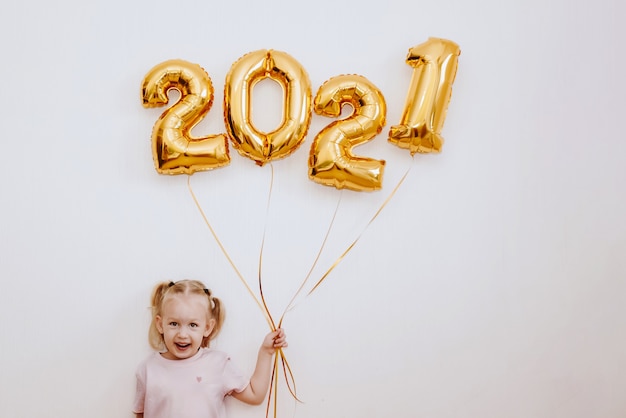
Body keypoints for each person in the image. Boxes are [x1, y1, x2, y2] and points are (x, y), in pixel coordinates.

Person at [133, 279, 287, 418]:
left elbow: (255, 395)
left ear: (207, 327)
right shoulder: (148, 369)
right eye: (174, 324)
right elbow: (140, 413)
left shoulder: (218, 363)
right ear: (160, 324)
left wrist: (266, 352)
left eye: (193, 325)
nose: (182, 334)